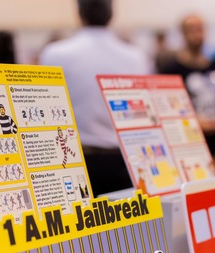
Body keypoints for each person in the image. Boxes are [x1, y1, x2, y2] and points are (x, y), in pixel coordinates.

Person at [39, 0, 153, 197]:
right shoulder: (137, 57)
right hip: (124, 163)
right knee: (123, 227)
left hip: (73, 162)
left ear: (79, 12)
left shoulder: (55, 54)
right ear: (111, 13)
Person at [160, 14, 215, 173]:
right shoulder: (171, 70)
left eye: (199, 29)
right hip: (188, 152)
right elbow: (165, 112)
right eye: (191, 29)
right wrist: (195, 123)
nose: (196, 34)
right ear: (183, 33)